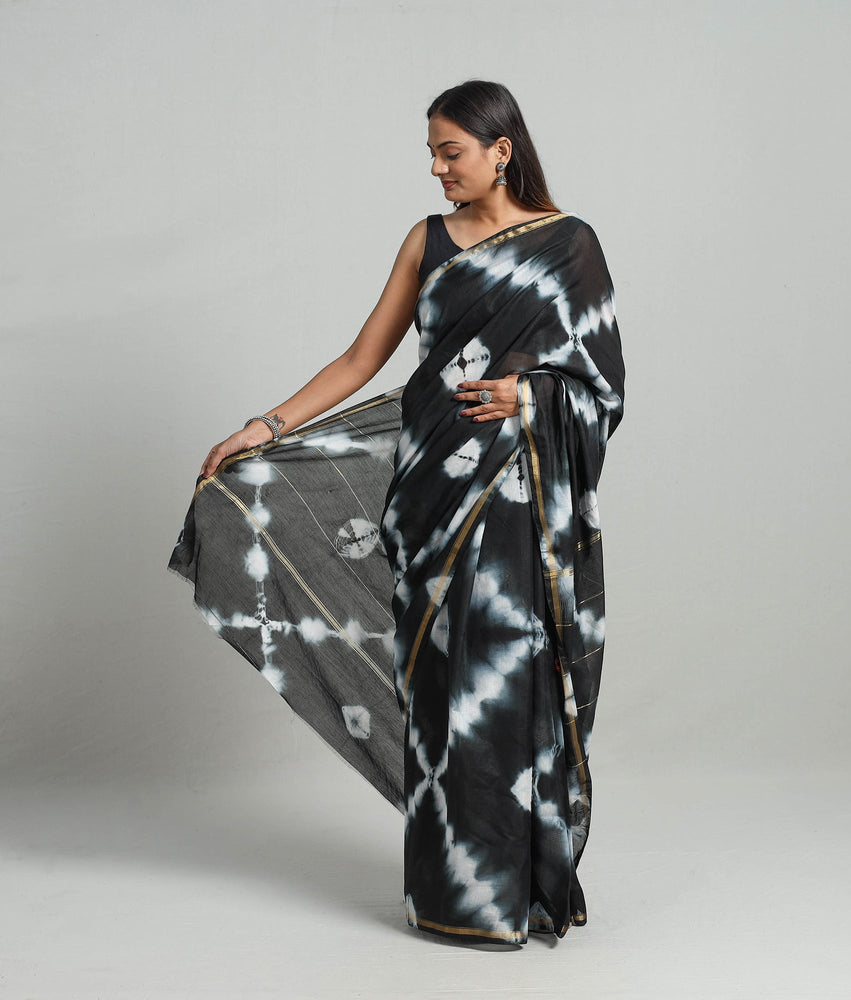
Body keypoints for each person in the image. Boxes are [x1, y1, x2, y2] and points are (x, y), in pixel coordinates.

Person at [170, 80, 625, 946]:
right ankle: (449, 897)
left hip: (514, 501)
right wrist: (264, 427)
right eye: (432, 153)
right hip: (427, 497)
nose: (438, 169)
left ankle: (512, 895)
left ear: (501, 150)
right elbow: (361, 359)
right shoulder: (428, 240)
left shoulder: (570, 245)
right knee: (441, 691)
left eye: (451, 152)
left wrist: (529, 397)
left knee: (504, 686)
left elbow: (601, 384)